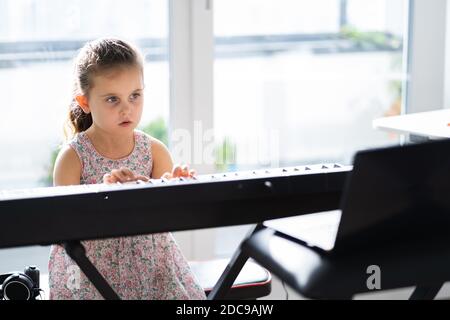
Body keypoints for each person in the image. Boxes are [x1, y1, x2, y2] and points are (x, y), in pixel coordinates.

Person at [48, 38, 206, 300]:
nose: (127, 108)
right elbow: (65, 227)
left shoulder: (154, 151)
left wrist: (175, 187)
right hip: (91, 275)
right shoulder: (72, 158)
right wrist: (106, 198)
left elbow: (164, 219)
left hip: (152, 273)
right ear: (85, 102)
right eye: (112, 99)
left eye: (135, 95)